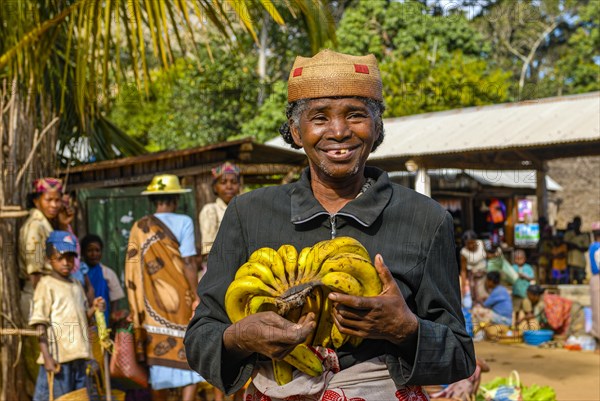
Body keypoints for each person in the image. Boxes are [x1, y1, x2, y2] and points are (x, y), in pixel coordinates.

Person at [185, 49, 475, 400]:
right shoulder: (248, 214)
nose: (338, 132)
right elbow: (200, 337)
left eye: (355, 115)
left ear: (377, 127)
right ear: (295, 130)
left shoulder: (426, 219)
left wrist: (406, 329)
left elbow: (460, 355)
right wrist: (237, 338)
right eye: (319, 117)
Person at [125, 174, 204, 401]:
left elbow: (132, 269)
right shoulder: (184, 222)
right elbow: (189, 261)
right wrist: (196, 294)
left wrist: (136, 306)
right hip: (182, 298)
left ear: (153, 200)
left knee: (158, 363)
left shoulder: (139, 227)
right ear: (176, 199)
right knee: (188, 356)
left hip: (151, 304)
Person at [29, 231, 105, 401]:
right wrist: (47, 357)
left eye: (70, 258)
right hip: (58, 359)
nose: (66, 262)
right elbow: (40, 323)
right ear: (50, 258)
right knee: (55, 397)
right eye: (60, 257)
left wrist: (94, 308)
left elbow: (83, 318)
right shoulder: (46, 284)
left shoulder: (76, 284)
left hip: (79, 355)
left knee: (79, 397)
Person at [199, 161, 241, 276]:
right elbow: (207, 247)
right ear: (215, 187)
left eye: (234, 182)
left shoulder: (244, 209)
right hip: (220, 270)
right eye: (223, 182)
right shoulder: (210, 210)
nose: (229, 186)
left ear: (239, 186)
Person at [80, 234, 127, 325]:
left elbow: (115, 299)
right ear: (83, 252)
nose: (94, 254)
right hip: (83, 317)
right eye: (90, 250)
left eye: (97, 250)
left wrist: (112, 317)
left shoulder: (108, 273)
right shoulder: (78, 273)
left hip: (103, 318)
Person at [460, 231, 487, 303]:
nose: (471, 245)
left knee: (486, 296)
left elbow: (487, 256)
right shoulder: (464, 252)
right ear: (465, 243)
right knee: (476, 298)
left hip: (484, 275)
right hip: (473, 278)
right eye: (468, 243)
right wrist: (463, 287)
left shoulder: (481, 243)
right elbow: (463, 270)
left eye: (472, 242)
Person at [564, 216, 591, 284]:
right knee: (570, 281)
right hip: (570, 262)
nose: (576, 225)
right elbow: (565, 246)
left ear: (580, 224)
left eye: (578, 223)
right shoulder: (568, 234)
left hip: (580, 262)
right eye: (575, 223)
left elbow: (586, 248)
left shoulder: (584, 236)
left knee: (580, 281)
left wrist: (576, 247)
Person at [511, 249, 535, 318]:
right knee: (516, 311)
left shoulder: (528, 267)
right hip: (516, 294)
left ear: (524, 259)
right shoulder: (513, 267)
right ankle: (516, 326)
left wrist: (524, 276)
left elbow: (532, 278)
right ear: (514, 259)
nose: (518, 260)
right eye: (517, 259)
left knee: (528, 311)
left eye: (520, 259)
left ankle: (530, 326)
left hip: (526, 294)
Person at [589, 222, 600, 349]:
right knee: (598, 310)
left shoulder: (593, 246)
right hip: (598, 279)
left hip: (596, 279)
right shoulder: (597, 248)